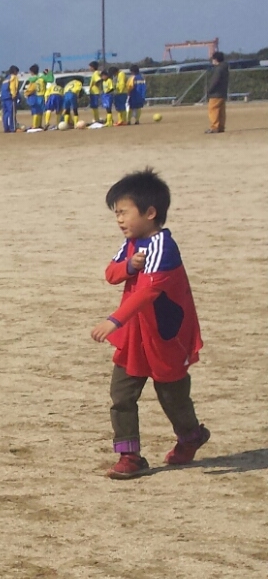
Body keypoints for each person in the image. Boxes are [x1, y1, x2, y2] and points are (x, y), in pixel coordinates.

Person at [89, 169, 208, 478]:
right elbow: (111, 274)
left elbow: (149, 292)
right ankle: (129, 456)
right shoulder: (132, 244)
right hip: (135, 337)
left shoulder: (163, 247)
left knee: (172, 396)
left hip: (165, 336)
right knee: (121, 395)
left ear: (150, 212)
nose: (119, 220)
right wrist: (128, 266)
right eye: (116, 213)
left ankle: (190, 435)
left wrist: (114, 320)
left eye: (123, 212)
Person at [204, 51, 228, 133]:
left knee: (213, 110)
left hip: (215, 93)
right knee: (221, 111)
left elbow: (214, 81)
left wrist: (209, 90)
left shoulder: (218, 69)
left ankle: (214, 127)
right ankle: (221, 126)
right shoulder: (225, 68)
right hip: (223, 93)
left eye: (213, 59)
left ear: (216, 59)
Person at [1, 66, 22, 134]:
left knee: (5, 113)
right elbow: (13, 86)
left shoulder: (6, 78)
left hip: (4, 97)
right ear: (15, 71)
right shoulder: (14, 77)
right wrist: (14, 95)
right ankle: (13, 128)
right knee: (12, 113)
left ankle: (6, 128)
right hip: (10, 97)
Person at [24, 65, 46, 132]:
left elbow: (32, 88)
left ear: (32, 72)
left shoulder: (33, 79)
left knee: (35, 111)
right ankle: (39, 124)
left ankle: (35, 125)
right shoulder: (41, 78)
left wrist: (26, 93)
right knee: (40, 111)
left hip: (35, 96)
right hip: (42, 95)